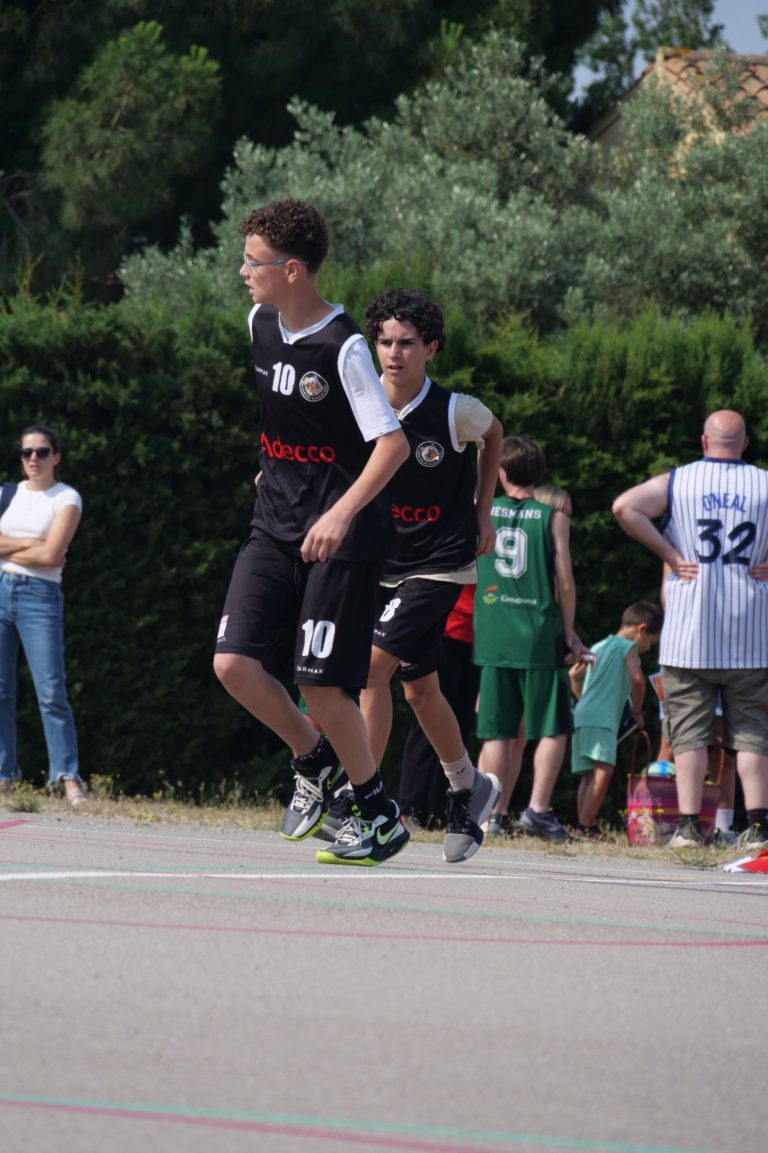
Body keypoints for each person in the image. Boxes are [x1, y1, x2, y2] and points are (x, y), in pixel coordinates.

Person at [213, 198, 411, 867]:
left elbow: (392, 445)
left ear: (292, 269)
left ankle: (378, 815)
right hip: (272, 525)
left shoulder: (344, 347)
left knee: (322, 685)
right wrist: (272, 468)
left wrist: (340, 511)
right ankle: (313, 756)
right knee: (233, 663)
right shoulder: (260, 323)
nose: (244, 271)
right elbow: (285, 424)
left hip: (340, 538)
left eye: (254, 261)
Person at [359, 289, 503, 863]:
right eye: (385, 342)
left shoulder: (453, 410)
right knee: (419, 689)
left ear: (431, 348)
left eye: (407, 343)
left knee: (370, 670)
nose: (394, 353)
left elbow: (494, 435)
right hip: (383, 562)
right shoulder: (360, 402)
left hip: (441, 563)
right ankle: (469, 787)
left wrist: (483, 511)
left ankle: (365, 807)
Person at [613, 409, 768, 850]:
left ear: (704, 441)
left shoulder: (678, 481)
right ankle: (759, 829)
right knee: (753, 735)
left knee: (689, 736)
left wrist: (670, 553)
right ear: (745, 444)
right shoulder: (764, 484)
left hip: (688, 637)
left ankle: (687, 828)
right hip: (750, 634)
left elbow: (624, 507)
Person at [474, 438, 588, 843]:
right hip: (539, 633)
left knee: (497, 731)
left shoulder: (483, 509)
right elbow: (565, 581)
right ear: (539, 473)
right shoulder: (552, 516)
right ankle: (538, 809)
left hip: (493, 631)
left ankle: (490, 814)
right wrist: (569, 633)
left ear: (501, 473)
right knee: (553, 728)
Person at [0, 425, 85, 806]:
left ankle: (67, 777)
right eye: (26, 452)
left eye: (42, 451)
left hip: (39, 596)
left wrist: (9, 547)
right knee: (0, 690)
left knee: (51, 691)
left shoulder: (66, 497)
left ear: (56, 457)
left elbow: (52, 555)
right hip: (1, 589)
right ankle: (3, 776)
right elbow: (44, 549)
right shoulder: (7, 494)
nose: (33, 458)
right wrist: (30, 543)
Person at [569, 602, 663, 836]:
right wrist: (637, 711)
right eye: (651, 642)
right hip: (602, 719)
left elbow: (578, 681)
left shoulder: (599, 645)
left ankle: (582, 825)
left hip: (582, 714)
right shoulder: (628, 647)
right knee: (604, 770)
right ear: (642, 629)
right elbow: (637, 680)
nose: (648, 648)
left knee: (589, 773)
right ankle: (585, 826)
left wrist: (581, 692)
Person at [397, 585, 480, 831]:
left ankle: (439, 811)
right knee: (429, 721)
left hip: (477, 636)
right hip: (446, 629)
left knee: (460, 724)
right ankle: (411, 808)